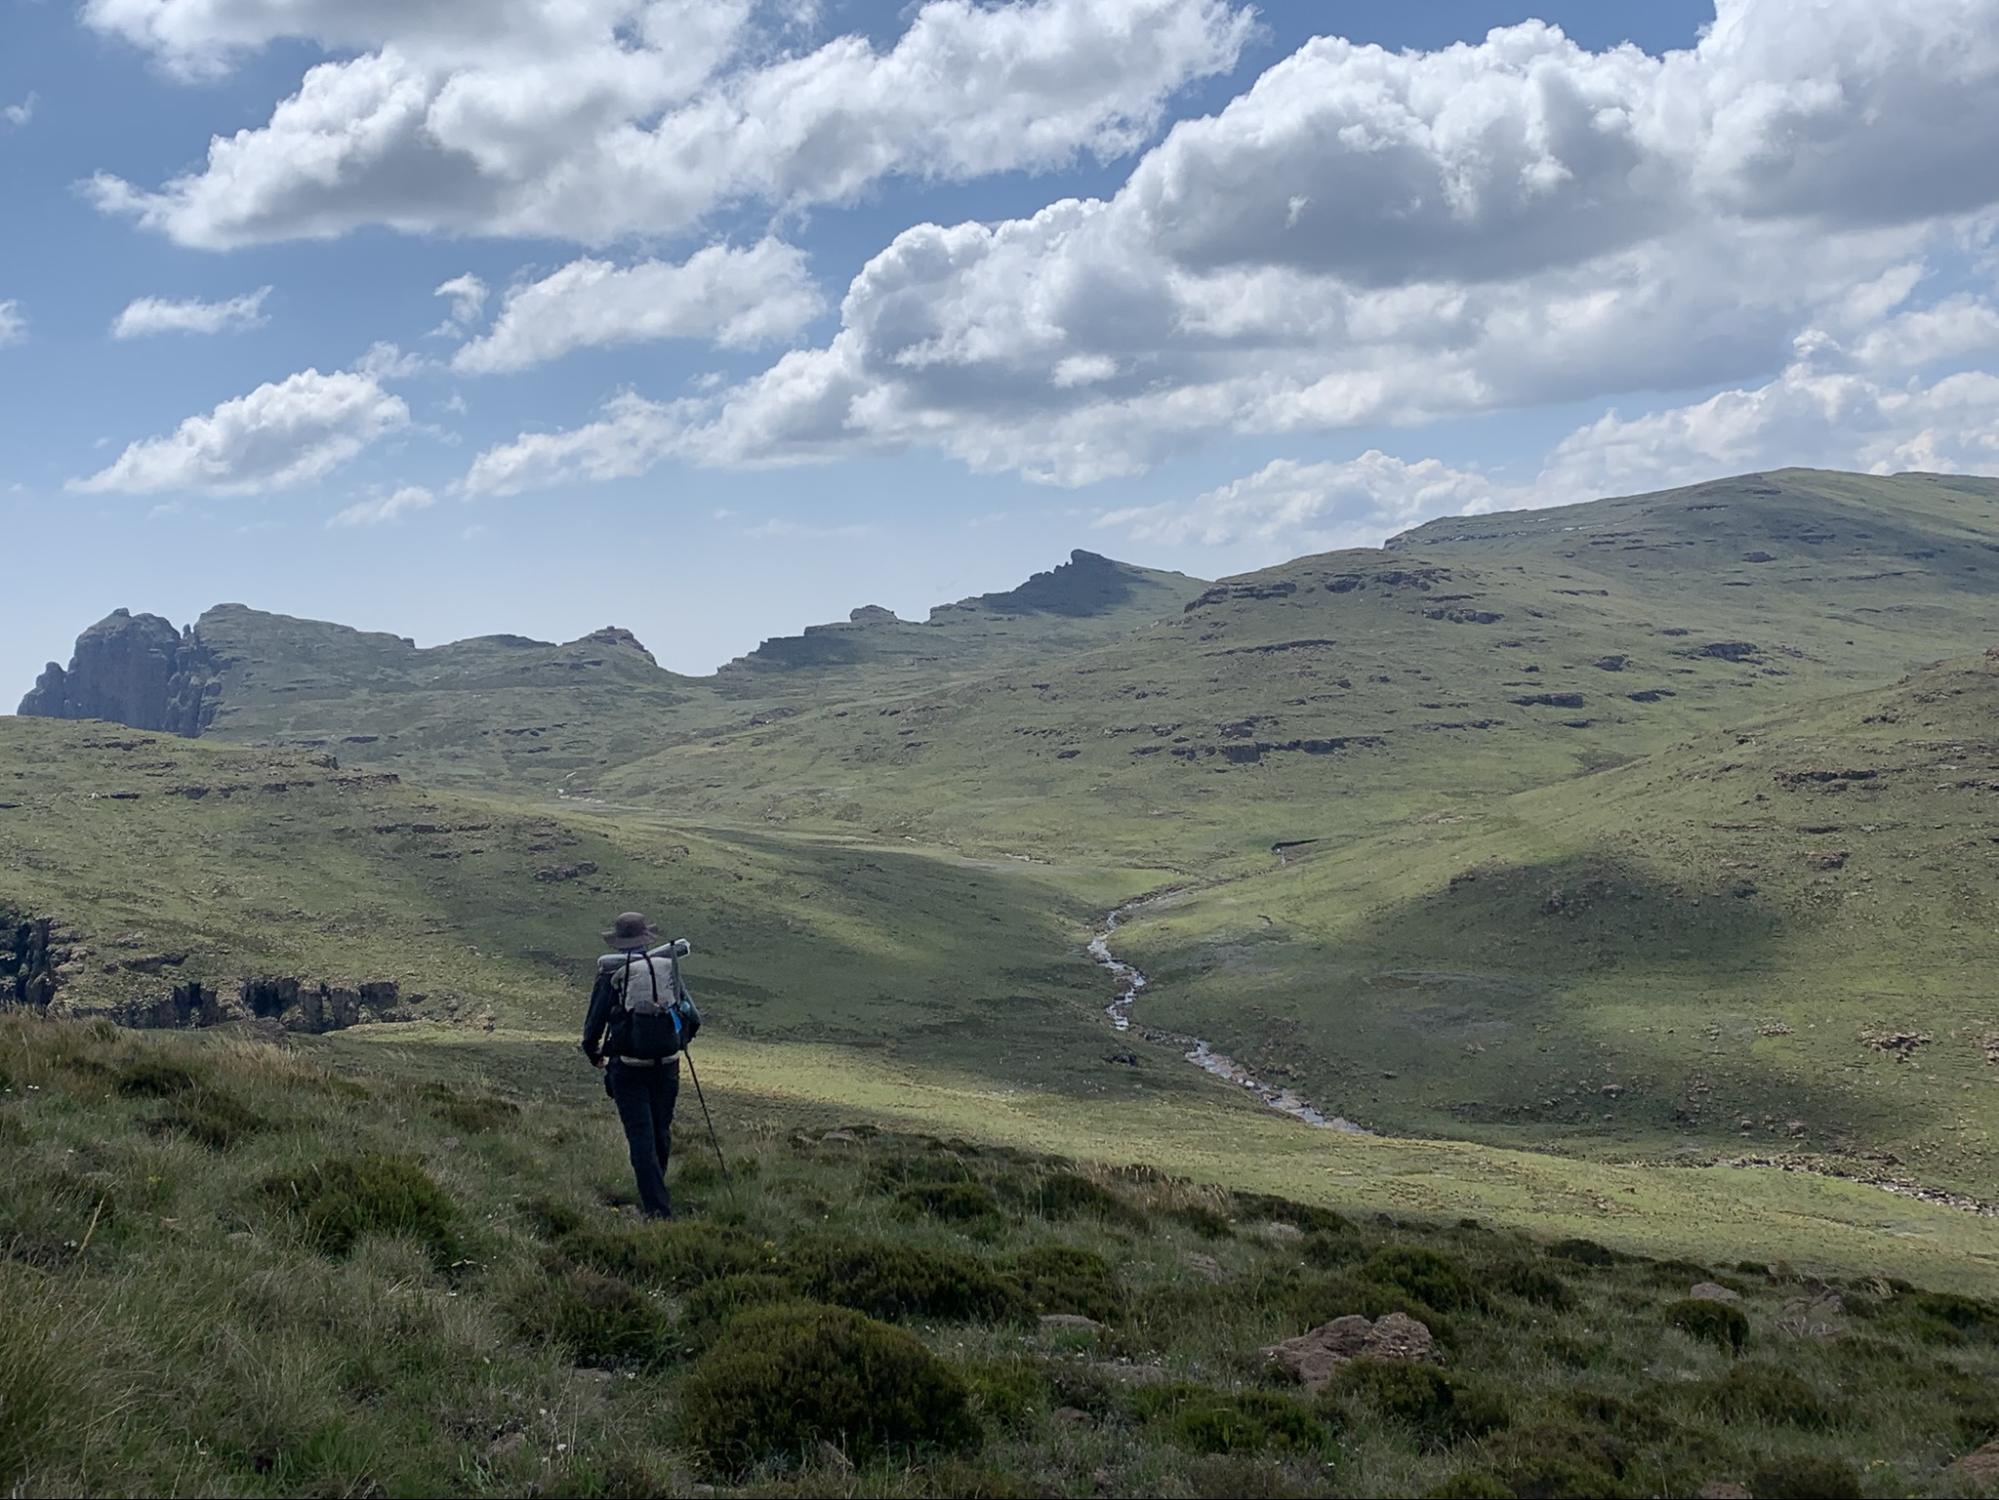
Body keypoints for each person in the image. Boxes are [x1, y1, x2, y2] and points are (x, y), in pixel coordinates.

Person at [582, 911, 684, 1220]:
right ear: (645, 939)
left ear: (619, 942)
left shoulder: (611, 974)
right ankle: (657, 1191)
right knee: (660, 1131)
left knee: (640, 1136)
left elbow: (594, 1023)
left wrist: (594, 1053)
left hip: (628, 1066)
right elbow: (689, 1013)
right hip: (667, 1064)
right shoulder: (666, 967)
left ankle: (657, 1209)